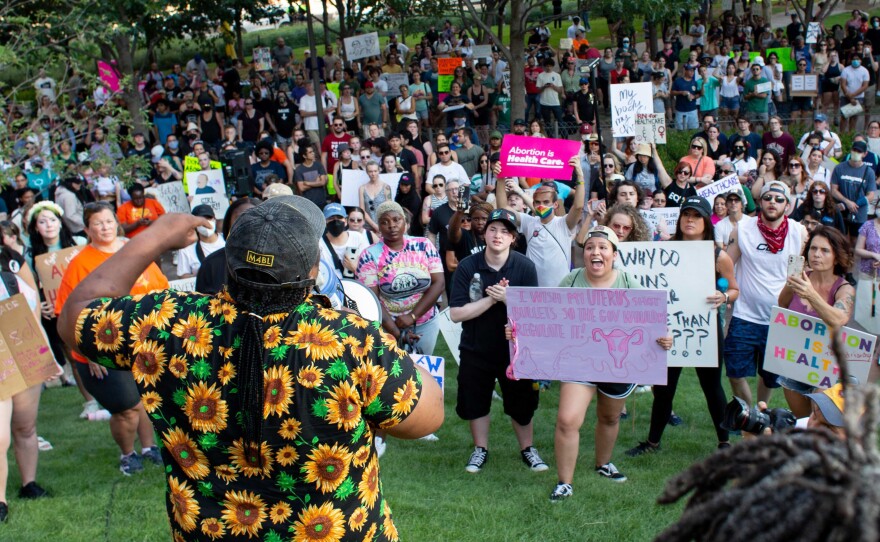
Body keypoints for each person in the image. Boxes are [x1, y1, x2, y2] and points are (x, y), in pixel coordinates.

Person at [58, 197, 443, 540]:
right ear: (312, 273)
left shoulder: (165, 322)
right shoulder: (350, 341)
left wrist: (155, 235)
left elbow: (75, 316)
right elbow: (425, 417)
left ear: (228, 263)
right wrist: (377, 339)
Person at [548, 226, 673, 501]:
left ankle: (603, 463)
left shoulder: (628, 282)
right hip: (579, 361)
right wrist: (522, 333)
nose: (596, 252)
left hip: (619, 365)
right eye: (590, 247)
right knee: (567, 420)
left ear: (614, 254)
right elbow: (548, 318)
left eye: (603, 247)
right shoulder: (571, 280)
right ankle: (564, 482)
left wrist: (664, 337)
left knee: (609, 416)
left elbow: (652, 320)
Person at [55, 202, 167, 475]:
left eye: (108, 221)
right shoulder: (80, 264)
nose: (104, 227)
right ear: (86, 229)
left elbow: (161, 291)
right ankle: (127, 454)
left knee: (146, 400)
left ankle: (149, 448)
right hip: (99, 351)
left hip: (142, 345)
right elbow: (64, 313)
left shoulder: (136, 252)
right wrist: (90, 353)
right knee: (126, 407)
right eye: (97, 223)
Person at [626, 197, 738, 458]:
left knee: (712, 386)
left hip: (703, 329)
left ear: (706, 221)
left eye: (696, 216)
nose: (690, 220)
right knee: (664, 386)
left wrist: (724, 297)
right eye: (686, 214)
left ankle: (724, 443)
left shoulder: (718, 256)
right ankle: (653, 441)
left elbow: (734, 289)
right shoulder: (665, 248)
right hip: (668, 328)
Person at [449, 208, 548, 474]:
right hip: (475, 347)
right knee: (475, 400)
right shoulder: (468, 266)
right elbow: (456, 313)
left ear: (513, 238)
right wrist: (491, 299)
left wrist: (509, 298)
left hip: (515, 351)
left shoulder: (525, 267)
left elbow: (535, 313)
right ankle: (480, 449)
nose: (498, 235)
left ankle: (527, 448)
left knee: (522, 403)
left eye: (505, 231)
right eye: (493, 228)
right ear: (484, 231)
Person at [724, 181, 804, 407]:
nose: (773, 202)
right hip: (745, 315)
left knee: (771, 377)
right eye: (768, 197)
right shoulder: (743, 230)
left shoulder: (798, 232)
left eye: (779, 199)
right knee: (734, 371)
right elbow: (727, 265)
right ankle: (749, 413)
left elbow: (796, 276)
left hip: (778, 317)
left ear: (787, 206)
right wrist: (728, 291)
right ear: (760, 201)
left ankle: (762, 410)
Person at [0, 266, 61, 523]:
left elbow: (31, 318)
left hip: (23, 353)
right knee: (0, 437)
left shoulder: (10, 272)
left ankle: (29, 484)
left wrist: (47, 356)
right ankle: (0, 500)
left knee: (26, 426)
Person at [777, 226, 854, 417]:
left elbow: (839, 318)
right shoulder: (799, 280)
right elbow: (782, 304)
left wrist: (811, 295)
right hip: (795, 361)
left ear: (837, 256)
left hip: (828, 366)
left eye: (825, 250)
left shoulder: (844, 289)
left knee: (823, 422)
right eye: (813, 248)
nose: (816, 254)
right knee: (803, 421)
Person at [357, 201, 444, 355]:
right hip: (389, 326)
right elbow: (372, 299)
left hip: (426, 323)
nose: (391, 225)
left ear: (405, 221)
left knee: (424, 371)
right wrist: (398, 333)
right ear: (379, 227)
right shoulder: (369, 256)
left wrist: (412, 316)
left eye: (397, 220)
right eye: (384, 222)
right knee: (395, 375)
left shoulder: (424, 246)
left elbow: (439, 283)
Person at [494, 157, 585, 288]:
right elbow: (503, 208)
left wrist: (580, 176)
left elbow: (578, 207)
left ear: (555, 204)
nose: (541, 206)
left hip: (561, 290)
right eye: (537, 202)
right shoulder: (528, 222)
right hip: (533, 291)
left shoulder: (564, 223)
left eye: (546, 202)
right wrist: (500, 178)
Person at [195, 197, 260, 295]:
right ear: (228, 225)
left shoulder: (282, 262)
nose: (247, 225)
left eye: (254, 219)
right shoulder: (210, 265)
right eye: (240, 219)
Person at [830, 140, 877, 241]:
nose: (856, 153)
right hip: (841, 209)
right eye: (854, 150)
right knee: (838, 238)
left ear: (865, 154)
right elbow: (834, 190)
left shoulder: (869, 172)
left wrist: (856, 204)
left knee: (855, 241)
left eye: (859, 151)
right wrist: (847, 202)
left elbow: (871, 195)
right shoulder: (839, 167)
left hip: (859, 212)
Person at [319, 203, 369, 280]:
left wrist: (355, 269)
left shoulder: (357, 238)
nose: (335, 221)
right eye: (331, 218)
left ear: (345, 221)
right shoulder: (320, 244)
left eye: (339, 217)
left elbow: (369, 268)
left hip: (356, 286)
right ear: (325, 222)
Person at [176, 204, 225, 279]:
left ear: (214, 220)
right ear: (194, 225)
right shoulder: (186, 249)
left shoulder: (228, 241)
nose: (205, 223)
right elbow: (182, 275)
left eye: (208, 218)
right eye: (200, 220)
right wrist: (197, 276)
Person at [294, 145, 328, 210]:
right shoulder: (299, 170)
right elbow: (301, 188)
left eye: (313, 151)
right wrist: (317, 182)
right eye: (310, 152)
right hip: (308, 203)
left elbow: (323, 182)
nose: (313, 153)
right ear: (304, 156)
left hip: (321, 201)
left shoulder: (319, 165)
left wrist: (308, 183)